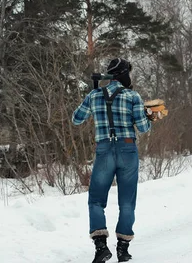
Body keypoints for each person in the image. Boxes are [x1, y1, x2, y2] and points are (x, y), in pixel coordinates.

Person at [72, 58, 158, 263]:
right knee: (127, 201)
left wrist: (94, 96)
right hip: (127, 149)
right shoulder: (132, 96)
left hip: (104, 150)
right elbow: (144, 128)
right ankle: (122, 249)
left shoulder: (94, 95)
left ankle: (101, 246)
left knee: (96, 200)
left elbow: (76, 119)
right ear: (123, 74)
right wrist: (150, 116)